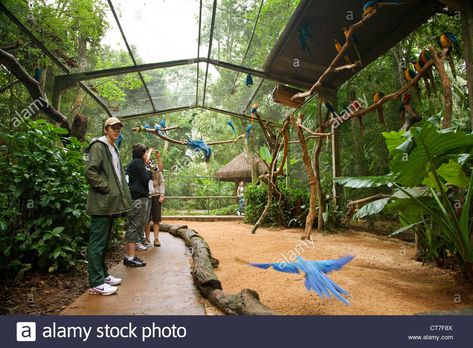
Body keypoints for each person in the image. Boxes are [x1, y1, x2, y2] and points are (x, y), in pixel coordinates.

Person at [84, 117, 132, 296]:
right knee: (97, 242)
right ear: (106, 129)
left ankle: (102, 275)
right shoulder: (98, 146)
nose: (117, 130)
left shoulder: (113, 148)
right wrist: (107, 188)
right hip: (101, 203)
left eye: (119, 128)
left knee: (104, 241)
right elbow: (89, 171)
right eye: (113, 127)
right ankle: (96, 282)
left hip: (110, 204)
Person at [124, 143, 151, 267]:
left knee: (132, 225)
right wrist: (150, 172)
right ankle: (130, 257)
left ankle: (131, 255)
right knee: (134, 226)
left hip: (132, 198)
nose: (147, 155)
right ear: (142, 154)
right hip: (138, 200)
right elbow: (146, 179)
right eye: (146, 152)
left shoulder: (132, 163)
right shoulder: (139, 163)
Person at [144, 148, 165, 247]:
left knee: (156, 219)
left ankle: (156, 239)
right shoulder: (144, 167)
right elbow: (146, 161)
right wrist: (150, 151)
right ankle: (147, 238)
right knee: (146, 219)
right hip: (147, 196)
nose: (150, 163)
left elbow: (160, 172)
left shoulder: (155, 168)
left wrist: (162, 195)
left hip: (156, 195)